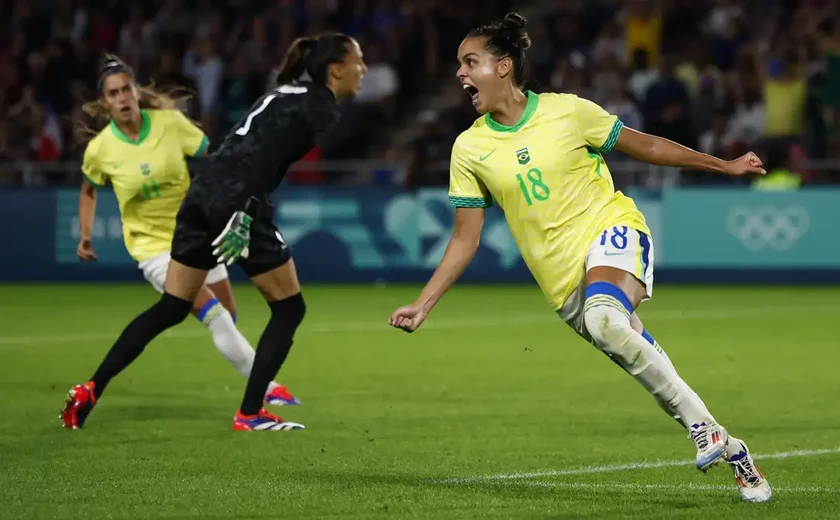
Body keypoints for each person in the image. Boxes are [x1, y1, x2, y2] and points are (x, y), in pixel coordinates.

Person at [388, 13, 772, 503]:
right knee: (638, 355)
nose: (460, 74)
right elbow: (465, 238)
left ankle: (710, 435)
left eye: (471, 62)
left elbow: (646, 144)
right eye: (460, 64)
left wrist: (722, 164)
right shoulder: (469, 148)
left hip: (612, 230)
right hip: (561, 281)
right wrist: (424, 303)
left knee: (606, 317)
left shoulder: (567, 111)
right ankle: (725, 442)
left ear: (503, 67)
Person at [61, 35, 366, 432]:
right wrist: (245, 213)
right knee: (290, 309)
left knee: (172, 307)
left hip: (202, 194)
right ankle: (251, 412)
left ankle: (90, 389)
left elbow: (233, 148)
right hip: (236, 199)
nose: (364, 69)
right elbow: (264, 160)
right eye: (359, 61)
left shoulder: (289, 92)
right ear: (336, 69)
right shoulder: (317, 106)